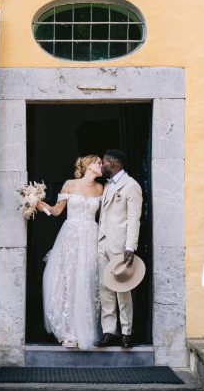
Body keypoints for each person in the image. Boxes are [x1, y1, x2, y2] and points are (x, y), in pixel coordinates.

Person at [34, 155, 105, 349]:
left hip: (91, 237)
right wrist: (39, 204)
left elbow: (104, 217)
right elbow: (57, 211)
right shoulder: (70, 184)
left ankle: (86, 330)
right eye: (97, 162)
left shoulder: (100, 188)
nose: (101, 165)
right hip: (71, 238)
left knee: (88, 281)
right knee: (68, 281)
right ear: (88, 166)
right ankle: (69, 332)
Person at [95, 149, 143, 349]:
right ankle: (108, 331)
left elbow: (134, 218)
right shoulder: (106, 185)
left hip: (121, 245)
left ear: (112, 164)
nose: (101, 166)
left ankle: (126, 332)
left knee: (122, 289)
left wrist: (130, 246)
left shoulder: (131, 186)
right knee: (105, 287)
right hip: (103, 242)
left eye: (103, 162)